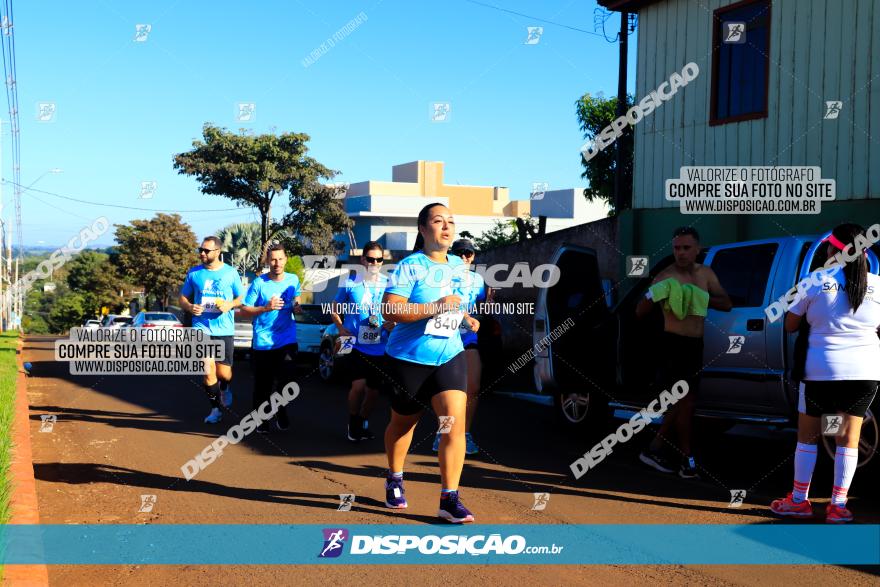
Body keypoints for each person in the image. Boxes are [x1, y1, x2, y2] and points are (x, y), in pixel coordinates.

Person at [770, 223, 880, 523]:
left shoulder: (815, 280)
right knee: (849, 439)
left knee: (808, 437)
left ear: (832, 249)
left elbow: (790, 325)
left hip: (821, 369)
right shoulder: (878, 285)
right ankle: (838, 506)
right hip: (865, 371)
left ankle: (798, 501)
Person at [380, 202, 477, 523]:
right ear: (423, 230)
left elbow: (453, 303)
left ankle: (449, 498)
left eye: (451, 221)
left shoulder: (458, 267)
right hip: (408, 359)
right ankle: (395, 476)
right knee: (403, 424)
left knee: (453, 423)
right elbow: (390, 311)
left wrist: (464, 317)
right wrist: (435, 307)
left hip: (449, 355)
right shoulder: (411, 266)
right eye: (439, 221)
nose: (447, 227)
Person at [635, 226, 732, 478]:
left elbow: (727, 303)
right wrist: (654, 294)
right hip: (673, 345)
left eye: (686, 248)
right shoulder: (665, 276)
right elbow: (640, 311)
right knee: (684, 402)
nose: (681, 253)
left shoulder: (706, 274)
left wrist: (700, 298)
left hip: (694, 345)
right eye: (677, 248)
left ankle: (657, 448)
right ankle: (686, 460)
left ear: (697, 249)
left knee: (685, 403)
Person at [329, 241, 394, 442]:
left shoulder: (389, 284)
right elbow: (334, 307)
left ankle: (361, 422)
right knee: (358, 386)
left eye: (379, 259)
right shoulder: (350, 283)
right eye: (371, 259)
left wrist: (391, 323)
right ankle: (353, 422)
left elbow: (396, 310)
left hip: (380, 344)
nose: (374, 263)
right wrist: (340, 328)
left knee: (373, 392)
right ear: (363, 260)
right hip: (353, 343)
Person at [179, 236, 245, 424]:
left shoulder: (230, 273)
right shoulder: (194, 273)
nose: (202, 253)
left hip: (224, 328)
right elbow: (182, 298)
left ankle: (224, 388)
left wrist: (229, 304)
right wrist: (190, 307)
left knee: (224, 374)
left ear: (218, 252)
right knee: (208, 370)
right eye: (201, 249)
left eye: (206, 250)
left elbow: (241, 297)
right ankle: (215, 409)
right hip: (201, 327)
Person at [432, 238, 488, 455]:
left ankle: (464, 433)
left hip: (467, 339)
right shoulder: (441, 277)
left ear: (473, 257)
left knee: (473, 387)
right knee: (446, 391)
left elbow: (479, 307)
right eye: (459, 253)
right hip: (445, 337)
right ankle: (443, 432)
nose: (464, 257)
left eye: (469, 253)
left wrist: (487, 307)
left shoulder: (477, 280)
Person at [239, 244, 302, 433]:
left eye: (280, 259)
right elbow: (244, 309)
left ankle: (280, 408)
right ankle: (261, 420)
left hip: (286, 339)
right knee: (263, 386)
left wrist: (297, 306)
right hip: (263, 342)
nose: (277, 263)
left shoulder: (293, 279)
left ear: (286, 259)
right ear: (267, 261)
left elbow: (296, 298)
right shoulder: (259, 283)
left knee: (288, 381)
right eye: (273, 259)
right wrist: (265, 308)